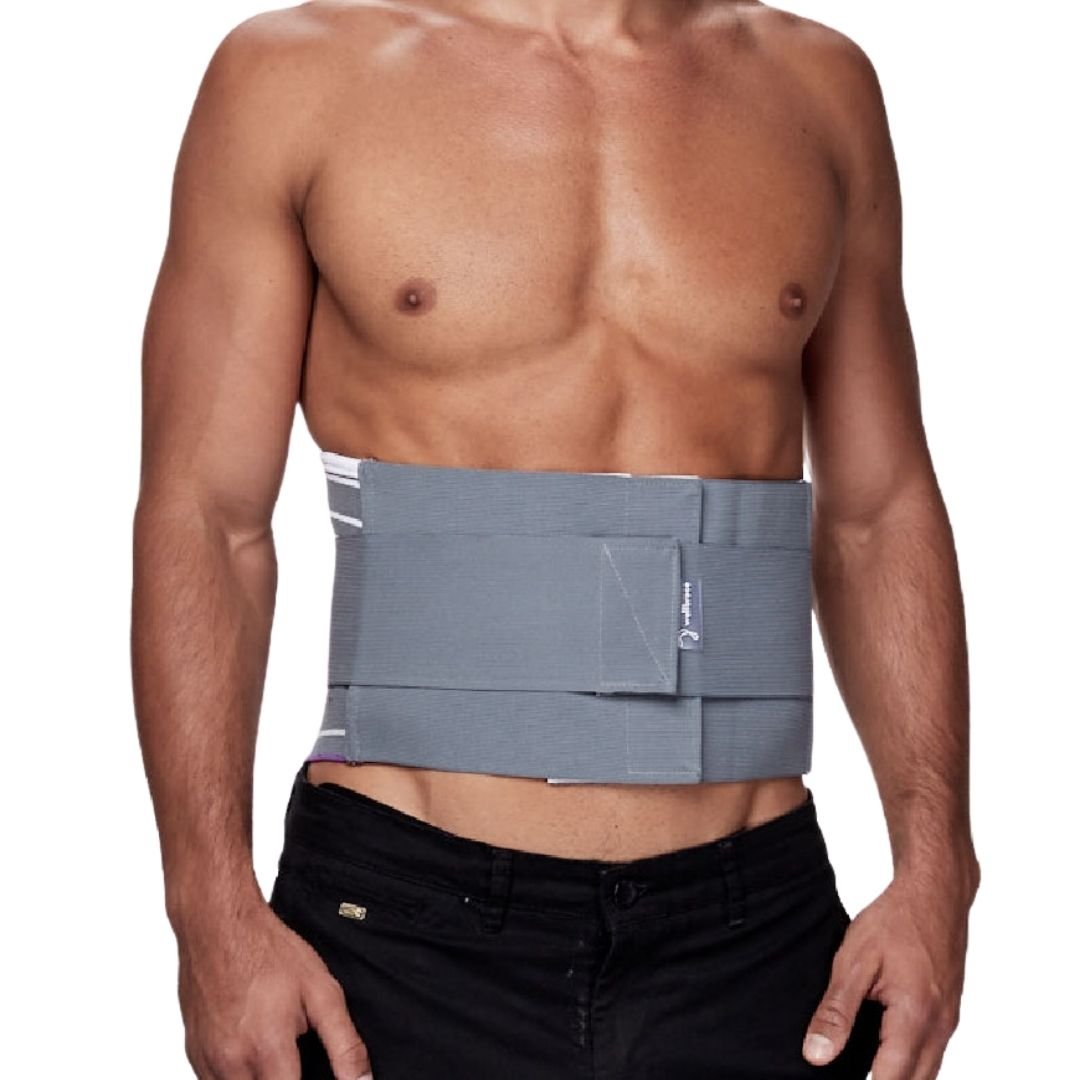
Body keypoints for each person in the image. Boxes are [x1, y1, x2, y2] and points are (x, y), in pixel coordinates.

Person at [130, 1, 980, 1078]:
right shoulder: (297, 77)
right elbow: (207, 518)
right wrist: (208, 904)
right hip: (403, 930)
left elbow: (878, 508)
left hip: (755, 929)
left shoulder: (816, 86)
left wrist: (938, 868)